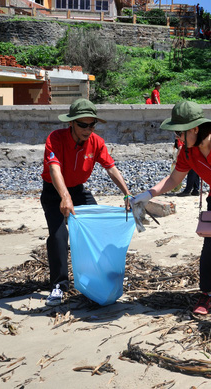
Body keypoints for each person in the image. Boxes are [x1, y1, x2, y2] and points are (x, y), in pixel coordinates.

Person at [130, 101, 211, 315]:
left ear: (194, 128)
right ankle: (206, 295)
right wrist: (147, 195)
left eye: (179, 133)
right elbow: (174, 179)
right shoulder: (188, 152)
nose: (177, 138)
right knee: (210, 248)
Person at [40, 99, 131, 306]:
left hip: (78, 191)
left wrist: (126, 194)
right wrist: (64, 196)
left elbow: (110, 167)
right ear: (71, 123)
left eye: (92, 125)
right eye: (83, 125)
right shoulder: (55, 138)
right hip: (54, 191)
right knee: (58, 236)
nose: (88, 130)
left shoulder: (96, 142)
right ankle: (59, 285)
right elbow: (54, 169)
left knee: (97, 227)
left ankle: (96, 277)